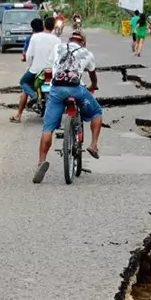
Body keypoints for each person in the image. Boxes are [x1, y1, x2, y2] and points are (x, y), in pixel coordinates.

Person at [33, 30, 102, 184]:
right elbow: (92, 75)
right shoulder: (87, 53)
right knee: (97, 111)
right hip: (76, 90)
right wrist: (94, 86)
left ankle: (41, 161)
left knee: (48, 128)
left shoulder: (58, 47)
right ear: (83, 42)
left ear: (69, 40)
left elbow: (53, 64)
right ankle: (93, 145)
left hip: (57, 90)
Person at [11, 16, 61, 123]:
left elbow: (29, 55)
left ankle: (32, 98)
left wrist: (30, 66)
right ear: (53, 27)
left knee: (23, 82)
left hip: (36, 70)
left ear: (44, 25)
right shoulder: (57, 39)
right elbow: (59, 57)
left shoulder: (35, 37)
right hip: (52, 71)